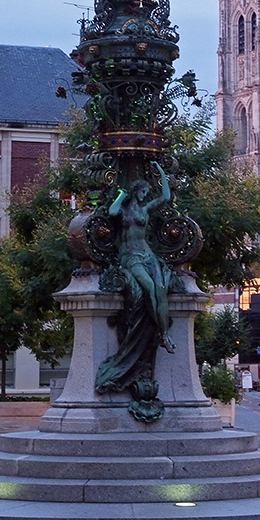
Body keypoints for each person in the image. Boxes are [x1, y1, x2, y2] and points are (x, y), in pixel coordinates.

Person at [95, 161, 175, 396]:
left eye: (146, 193)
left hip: (148, 255)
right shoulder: (125, 209)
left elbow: (166, 197)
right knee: (149, 288)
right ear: (135, 191)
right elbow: (111, 212)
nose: (144, 195)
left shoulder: (145, 209)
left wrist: (160, 172)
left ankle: (164, 335)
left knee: (160, 288)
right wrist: (120, 195)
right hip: (130, 256)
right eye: (142, 192)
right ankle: (154, 334)